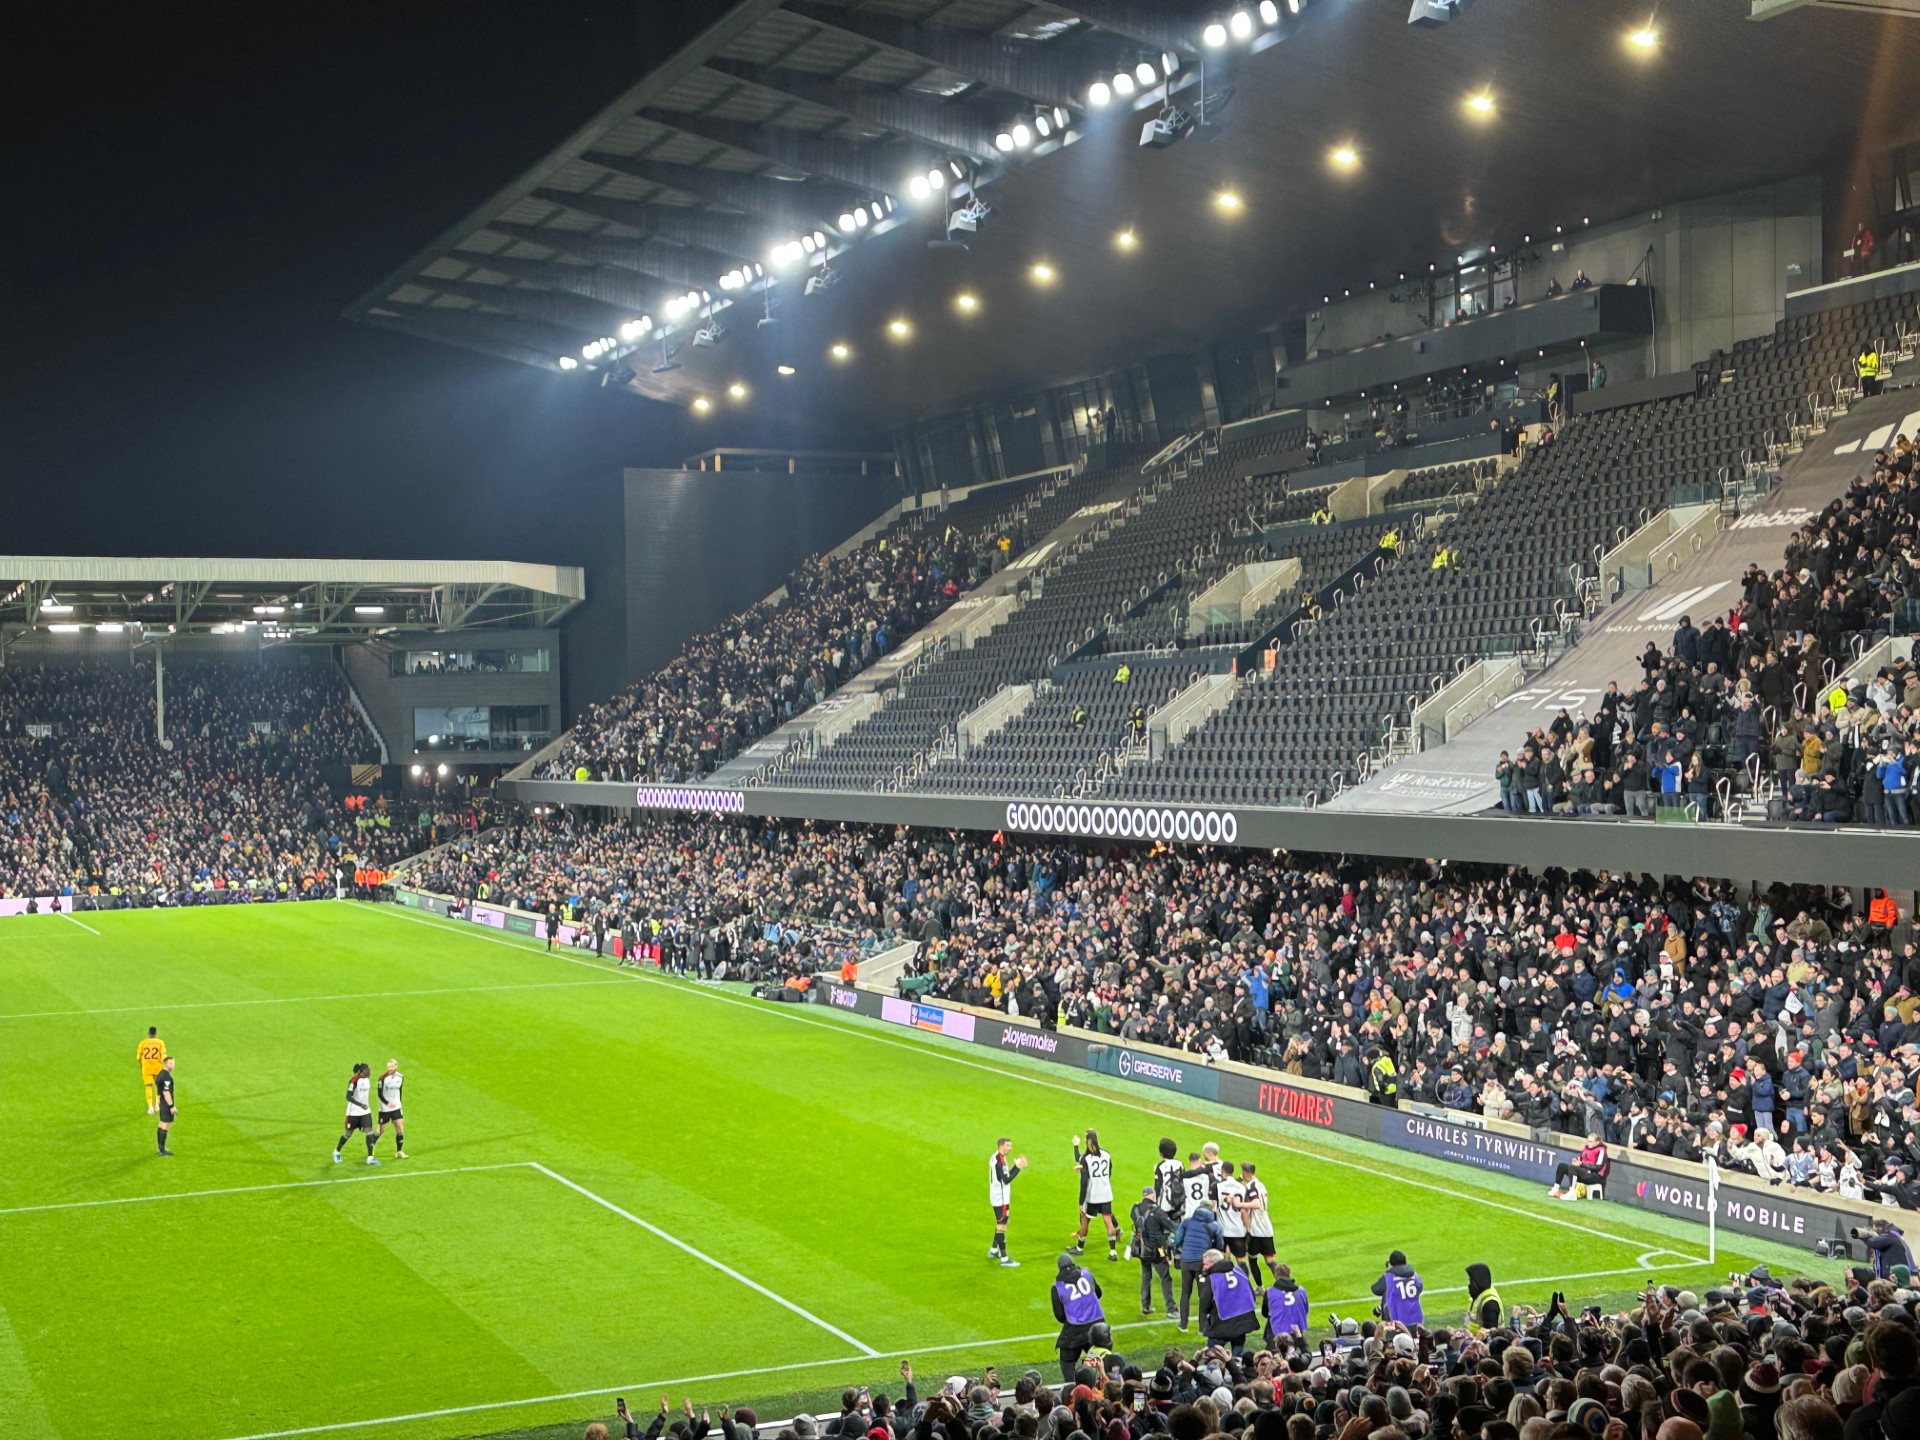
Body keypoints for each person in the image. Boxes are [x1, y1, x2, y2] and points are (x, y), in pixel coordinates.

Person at [1049, 1252, 1104, 1382]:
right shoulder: (1086, 1274)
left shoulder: (1057, 1286)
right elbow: (1099, 1293)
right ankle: (1106, 1387)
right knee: (1102, 1359)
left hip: (1074, 1332)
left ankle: (1071, 1390)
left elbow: (1060, 1316)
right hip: (1097, 1329)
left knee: (1067, 1361)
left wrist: (1075, 1315)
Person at [1171, 1198, 1223, 1331]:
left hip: (1186, 1262)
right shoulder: (1215, 1225)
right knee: (1203, 1295)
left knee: (1186, 1292)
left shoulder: (1187, 1222)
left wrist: (1180, 1251)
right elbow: (1219, 1246)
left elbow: (1177, 1240)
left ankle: (1183, 1325)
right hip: (1202, 1264)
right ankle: (1203, 1327)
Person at [1069, 1130, 1120, 1261]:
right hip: (1106, 1193)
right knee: (1108, 1221)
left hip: (1092, 1195)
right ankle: (1113, 1252)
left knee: (1085, 1220)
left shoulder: (1086, 1159)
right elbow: (1109, 1172)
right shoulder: (1107, 1154)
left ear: (1087, 1142)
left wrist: (1080, 1202)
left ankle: (1079, 1248)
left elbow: (1084, 1181)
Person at [1196, 1249, 1260, 1353]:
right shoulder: (1240, 1271)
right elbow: (1252, 1296)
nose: (1203, 1267)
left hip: (1222, 1325)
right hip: (1242, 1323)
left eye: (1206, 1264)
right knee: (1237, 1357)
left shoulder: (1212, 1278)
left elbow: (1204, 1305)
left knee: (1213, 1355)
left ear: (1214, 1263)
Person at [1127, 1185, 1175, 1317]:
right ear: (1153, 1195)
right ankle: (1171, 1309)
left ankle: (1146, 1306)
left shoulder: (1135, 1209)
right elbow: (1170, 1226)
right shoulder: (1157, 1210)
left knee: (1146, 1276)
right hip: (1157, 1249)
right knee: (1165, 1277)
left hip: (1141, 1248)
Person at [988, 1137, 1027, 1267]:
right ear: (1001, 1146)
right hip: (1001, 1199)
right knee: (1002, 1226)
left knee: (1001, 1222)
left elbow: (1003, 1177)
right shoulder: (999, 1162)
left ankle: (994, 1250)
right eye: (1007, 1146)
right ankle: (1004, 1259)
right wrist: (1018, 1167)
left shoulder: (997, 1157)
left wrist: (1015, 1167)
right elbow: (1006, 1180)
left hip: (999, 1197)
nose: (1010, 1148)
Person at [335, 1062, 379, 1166]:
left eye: (369, 1069)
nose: (369, 1071)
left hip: (365, 1112)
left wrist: (364, 1107)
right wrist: (360, 1104)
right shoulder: (354, 1081)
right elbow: (348, 1097)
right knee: (347, 1134)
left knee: (369, 1133)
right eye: (367, 1070)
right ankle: (337, 1151)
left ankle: (370, 1158)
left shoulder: (367, 1080)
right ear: (361, 1071)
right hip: (353, 1113)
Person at [1238, 1161, 1274, 1287]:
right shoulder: (1260, 1184)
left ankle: (1259, 1287)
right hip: (1267, 1228)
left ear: (1246, 1173)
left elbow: (1256, 1203)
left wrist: (1240, 1204)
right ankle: (1283, 1285)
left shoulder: (1251, 1187)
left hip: (1256, 1229)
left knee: (1252, 1259)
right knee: (1270, 1261)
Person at [1371, 1249, 1424, 1326]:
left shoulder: (1388, 1277)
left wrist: (1389, 1270)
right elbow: (1419, 1288)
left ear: (1391, 1264)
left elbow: (1375, 1289)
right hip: (1416, 1320)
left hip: (1395, 1323)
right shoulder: (1415, 1275)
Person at [1551, 1132, 1610, 1200]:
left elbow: (1598, 1167)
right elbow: (1582, 1159)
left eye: (1591, 1141)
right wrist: (1577, 1161)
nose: (1588, 1143)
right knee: (1562, 1166)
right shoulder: (1585, 1148)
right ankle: (1556, 1188)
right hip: (1584, 1172)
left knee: (1572, 1168)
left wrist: (1581, 1164)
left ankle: (1572, 1192)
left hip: (1594, 1176)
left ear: (1597, 1142)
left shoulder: (1601, 1151)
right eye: (1588, 1141)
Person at [1263, 1262, 1309, 1345]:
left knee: (1270, 1319)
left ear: (1275, 1276)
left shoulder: (1269, 1292)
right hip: (1298, 1331)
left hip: (1278, 1334)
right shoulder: (1302, 1291)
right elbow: (1306, 1310)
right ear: (1289, 1274)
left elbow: (1265, 1313)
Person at [374, 1058, 407, 1159]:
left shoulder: (401, 1077)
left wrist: (399, 1103)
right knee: (380, 1130)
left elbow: (400, 1090)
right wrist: (387, 1103)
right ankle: (371, 1148)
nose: (390, 1069)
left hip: (396, 1107)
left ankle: (399, 1151)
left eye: (392, 1066)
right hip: (385, 1109)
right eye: (388, 1067)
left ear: (396, 1066)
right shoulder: (382, 1078)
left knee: (400, 1129)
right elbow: (379, 1094)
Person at [1463, 1262, 1502, 1333]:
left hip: (1481, 1343)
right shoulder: (1479, 1296)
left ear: (1478, 1281)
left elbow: (1490, 1333)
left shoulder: (1489, 1303)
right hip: (1473, 1339)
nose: (1469, 1285)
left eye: (1471, 1281)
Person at [138, 1025, 168, 1115]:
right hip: (157, 1068)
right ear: (156, 1033)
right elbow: (164, 1055)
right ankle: (157, 1105)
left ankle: (150, 1108)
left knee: (148, 1086)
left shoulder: (143, 1043)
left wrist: (141, 1064)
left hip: (146, 1068)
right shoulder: (160, 1043)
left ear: (148, 1033)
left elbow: (138, 1057)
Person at [1152, 1136, 1184, 1219]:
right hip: (1178, 1202)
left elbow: (1157, 1186)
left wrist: (1154, 1203)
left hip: (1165, 1204)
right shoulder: (1180, 1164)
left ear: (1161, 1153)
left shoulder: (1159, 1166)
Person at [153, 1055, 177, 1158]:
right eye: (171, 1063)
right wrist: (172, 1106)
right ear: (165, 1064)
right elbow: (166, 1092)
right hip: (166, 1103)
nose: (173, 1065)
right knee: (165, 1125)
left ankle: (160, 1148)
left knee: (161, 1124)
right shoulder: (166, 1077)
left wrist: (157, 1103)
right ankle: (162, 1150)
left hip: (161, 1102)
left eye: (173, 1063)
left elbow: (159, 1090)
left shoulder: (160, 1074)